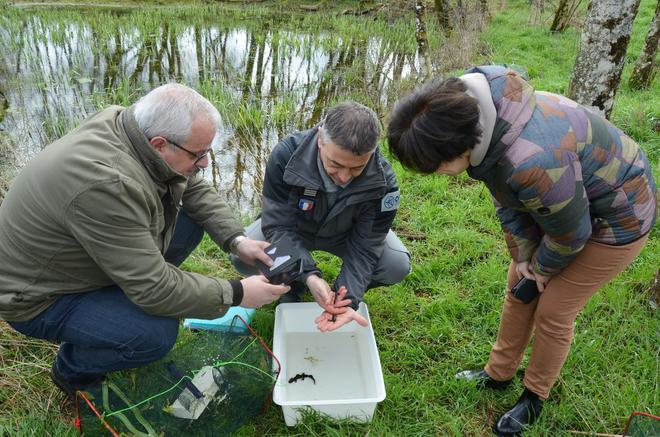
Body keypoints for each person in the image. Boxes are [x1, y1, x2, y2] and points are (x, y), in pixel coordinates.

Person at [386, 65, 657, 436]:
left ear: (461, 147)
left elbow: (570, 235)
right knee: (519, 284)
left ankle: (534, 396)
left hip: (619, 215)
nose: (435, 175)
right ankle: (498, 373)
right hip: (564, 199)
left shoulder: (530, 159)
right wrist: (525, 258)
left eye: (435, 167)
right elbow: (507, 199)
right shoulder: (482, 120)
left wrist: (544, 269)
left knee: (555, 308)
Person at [0, 84, 290, 399]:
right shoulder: (106, 183)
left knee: (191, 221)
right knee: (154, 334)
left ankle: (121, 303)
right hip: (38, 296)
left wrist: (236, 240)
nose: (205, 163)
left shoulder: (125, 124)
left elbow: (190, 185)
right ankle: (72, 370)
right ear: (160, 144)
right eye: (199, 154)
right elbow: (154, 289)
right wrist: (236, 293)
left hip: (83, 257)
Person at [232, 102, 411, 332]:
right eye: (335, 164)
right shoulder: (286, 155)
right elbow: (278, 226)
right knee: (242, 256)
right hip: (294, 230)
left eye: (356, 168)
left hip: (346, 235)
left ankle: (339, 293)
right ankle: (293, 283)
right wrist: (309, 276)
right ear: (320, 139)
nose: (344, 177)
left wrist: (348, 297)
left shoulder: (384, 182)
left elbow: (366, 245)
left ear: (372, 152)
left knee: (396, 265)